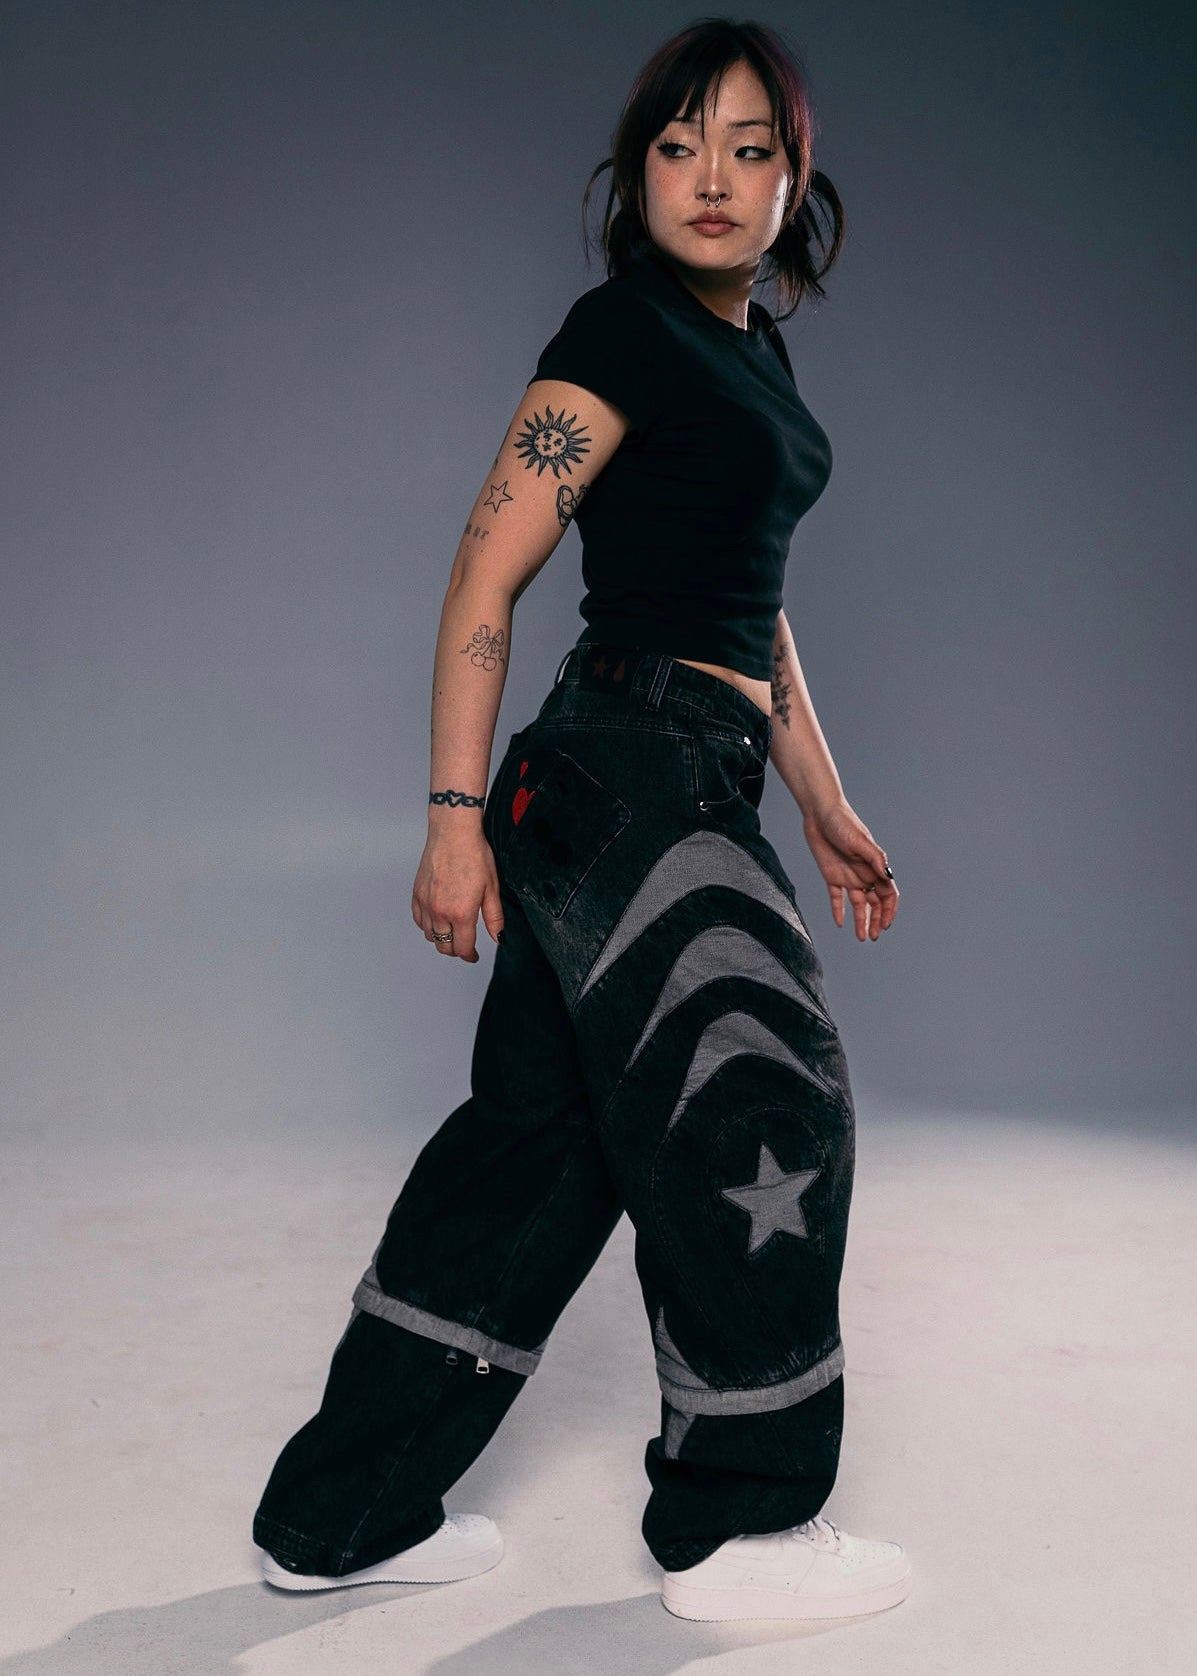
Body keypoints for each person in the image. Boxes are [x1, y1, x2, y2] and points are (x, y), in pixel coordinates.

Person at [252, 18, 911, 1624]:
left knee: (536, 1148)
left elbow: (750, 613)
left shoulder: (753, 357)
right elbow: (486, 571)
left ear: (794, 179)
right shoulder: (619, 331)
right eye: (678, 147)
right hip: (628, 767)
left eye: (747, 148)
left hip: (676, 765)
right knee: (760, 1095)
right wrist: (448, 816)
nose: (711, 178)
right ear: (636, 176)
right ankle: (741, 1533)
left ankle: (338, 1516)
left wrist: (823, 802)